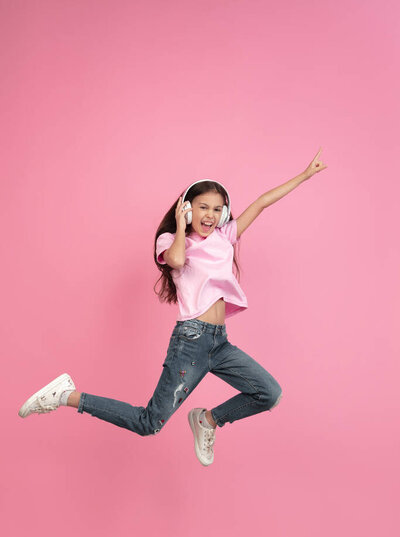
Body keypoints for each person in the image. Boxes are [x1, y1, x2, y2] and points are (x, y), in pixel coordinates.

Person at [18, 149, 327, 466]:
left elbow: (261, 202)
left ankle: (208, 420)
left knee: (268, 392)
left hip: (219, 343)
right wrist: (181, 226)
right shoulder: (171, 241)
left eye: (217, 209)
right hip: (190, 344)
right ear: (188, 208)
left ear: (223, 215)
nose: (210, 214)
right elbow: (177, 261)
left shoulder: (224, 237)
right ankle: (66, 396)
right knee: (148, 423)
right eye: (203, 206)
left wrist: (305, 175)